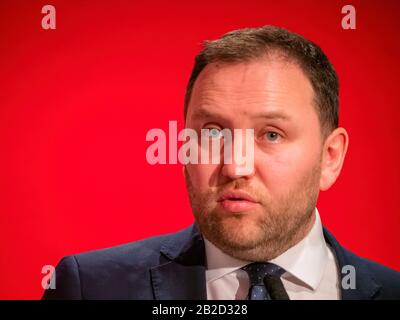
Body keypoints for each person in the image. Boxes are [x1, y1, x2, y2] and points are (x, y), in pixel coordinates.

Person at [42, 25, 400, 300]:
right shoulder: (90, 288)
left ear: (330, 157)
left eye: (271, 135)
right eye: (212, 134)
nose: (235, 166)